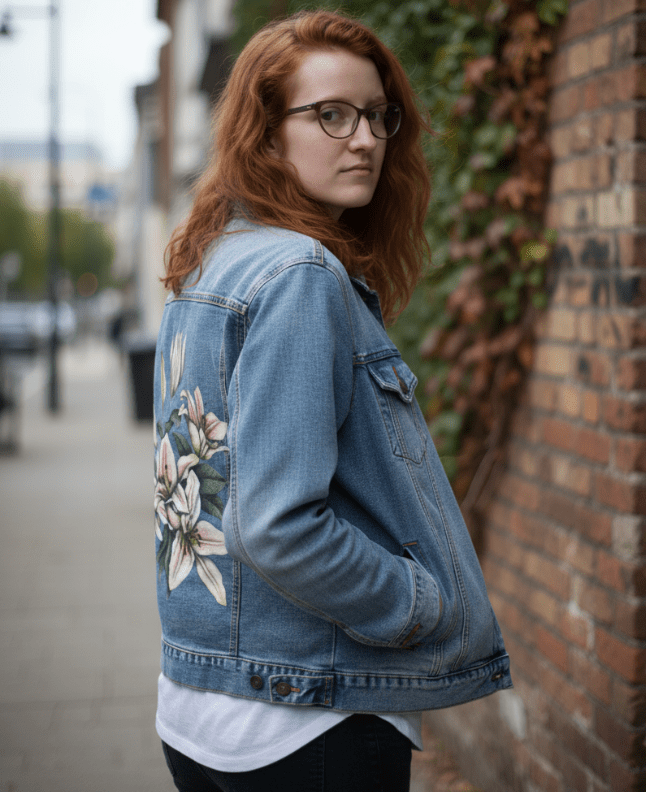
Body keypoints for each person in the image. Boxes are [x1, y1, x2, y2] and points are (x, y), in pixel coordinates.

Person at [153, 9, 512, 792]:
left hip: (196, 710)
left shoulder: (211, 268)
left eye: (379, 116)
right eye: (331, 115)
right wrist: (420, 603)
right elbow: (278, 525)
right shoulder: (299, 274)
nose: (366, 140)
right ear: (266, 132)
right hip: (305, 721)